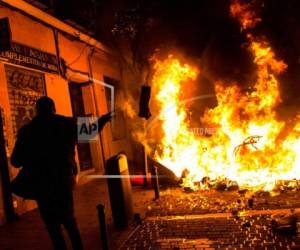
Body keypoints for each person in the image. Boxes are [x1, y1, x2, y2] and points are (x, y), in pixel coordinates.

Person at [10, 96, 111, 250]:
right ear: (54, 108)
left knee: (53, 227)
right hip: (63, 181)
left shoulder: (27, 131)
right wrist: (104, 119)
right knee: (70, 221)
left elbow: (16, 161)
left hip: (41, 185)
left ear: (37, 111)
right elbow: (91, 131)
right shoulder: (67, 124)